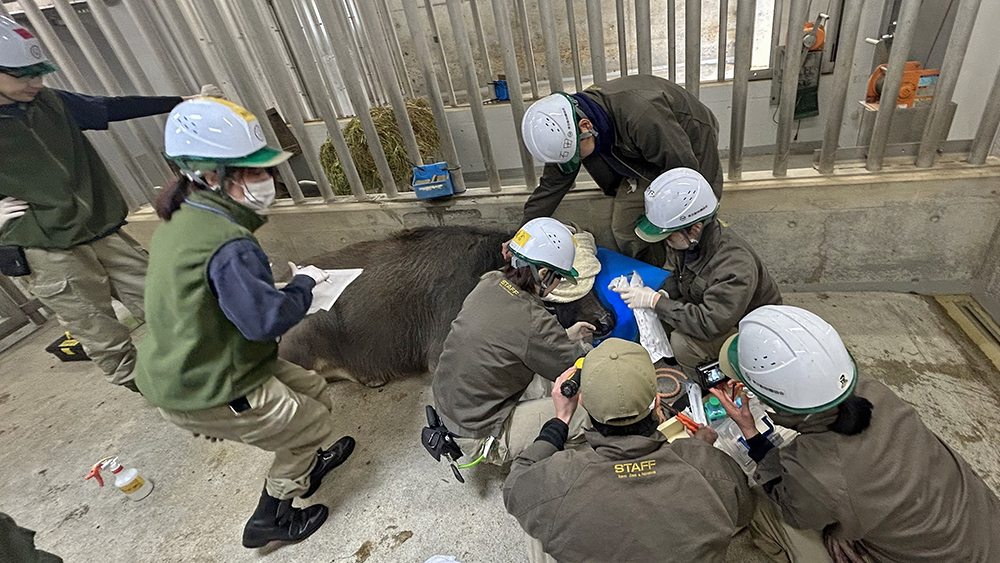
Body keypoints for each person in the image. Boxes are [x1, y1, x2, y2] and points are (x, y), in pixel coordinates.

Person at [134, 98, 355, 548]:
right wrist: (305, 285)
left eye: (265, 170)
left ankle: (306, 465)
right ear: (212, 175)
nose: (267, 181)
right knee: (310, 424)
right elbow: (266, 322)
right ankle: (271, 517)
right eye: (253, 172)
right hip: (209, 381)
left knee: (312, 391)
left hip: (207, 358)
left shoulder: (186, 218)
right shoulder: (228, 242)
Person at [0, 15, 209, 391]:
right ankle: (149, 389)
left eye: (38, 72)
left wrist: (183, 101)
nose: (35, 82)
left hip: (101, 227)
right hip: (45, 246)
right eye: (22, 75)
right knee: (96, 327)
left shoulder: (51, 102)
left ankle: (203, 370)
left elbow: (110, 107)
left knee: (162, 299)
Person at [712, 305, 1000, 562]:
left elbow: (797, 511)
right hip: (984, 525)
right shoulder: (874, 389)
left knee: (763, 507)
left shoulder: (816, 471)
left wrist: (752, 435)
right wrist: (848, 520)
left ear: (773, 400)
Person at [503, 338, 755, 562]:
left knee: (540, 519)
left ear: (582, 402)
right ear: (657, 400)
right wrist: (699, 451)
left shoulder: (558, 479)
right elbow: (743, 512)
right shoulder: (710, 465)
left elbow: (515, 489)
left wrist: (560, 420)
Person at [431, 217, 595, 466]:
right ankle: (555, 470)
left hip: (452, 408)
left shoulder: (490, 281)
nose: (559, 283)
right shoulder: (533, 321)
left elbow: (518, 336)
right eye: (559, 277)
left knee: (542, 374)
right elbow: (580, 365)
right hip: (480, 433)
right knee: (591, 410)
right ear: (542, 273)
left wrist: (565, 336)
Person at [520, 75, 722, 262]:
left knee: (689, 229)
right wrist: (521, 236)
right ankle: (655, 274)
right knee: (626, 228)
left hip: (688, 144)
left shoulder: (641, 115)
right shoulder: (568, 131)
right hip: (639, 155)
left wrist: (681, 223)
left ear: (585, 126)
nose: (577, 161)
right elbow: (553, 184)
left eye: (576, 155)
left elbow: (685, 176)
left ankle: (693, 274)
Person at [613, 168, 781, 374]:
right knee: (659, 317)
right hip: (716, 310)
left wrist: (656, 301)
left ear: (695, 228)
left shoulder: (734, 265)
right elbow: (679, 275)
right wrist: (665, 294)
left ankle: (716, 378)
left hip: (755, 330)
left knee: (683, 344)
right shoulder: (690, 242)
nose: (666, 243)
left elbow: (709, 323)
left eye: (668, 236)